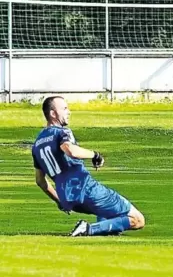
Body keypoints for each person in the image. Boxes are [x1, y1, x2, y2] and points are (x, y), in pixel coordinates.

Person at [31, 96, 145, 237]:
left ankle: (102, 229)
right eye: (65, 108)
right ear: (53, 114)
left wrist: (59, 201)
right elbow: (70, 150)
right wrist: (95, 155)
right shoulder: (61, 132)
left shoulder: (37, 144)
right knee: (138, 219)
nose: (69, 112)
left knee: (109, 217)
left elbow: (40, 181)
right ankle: (88, 229)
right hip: (86, 189)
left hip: (68, 199)